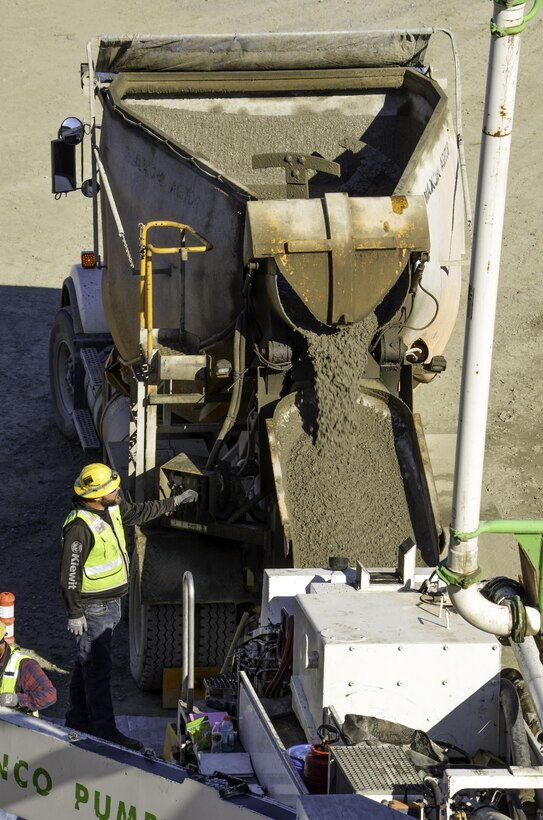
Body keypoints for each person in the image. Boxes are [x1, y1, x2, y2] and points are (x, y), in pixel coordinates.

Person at [60, 462, 197, 751]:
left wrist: (174, 502)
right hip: (92, 610)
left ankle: (77, 720)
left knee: (86, 665)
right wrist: (74, 612)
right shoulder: (79, 528)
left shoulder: (111, 508)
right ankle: (105, 733)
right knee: (97, 672)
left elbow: (139, 512)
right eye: (112, 489)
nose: (118, 490)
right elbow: (69, 575)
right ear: (96, 496)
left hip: (109, 605)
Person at [0, 621, 57, 714]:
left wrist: (16, 699)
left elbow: (50, 695)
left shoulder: (24, 665)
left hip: (17, 725)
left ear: (2, 643)